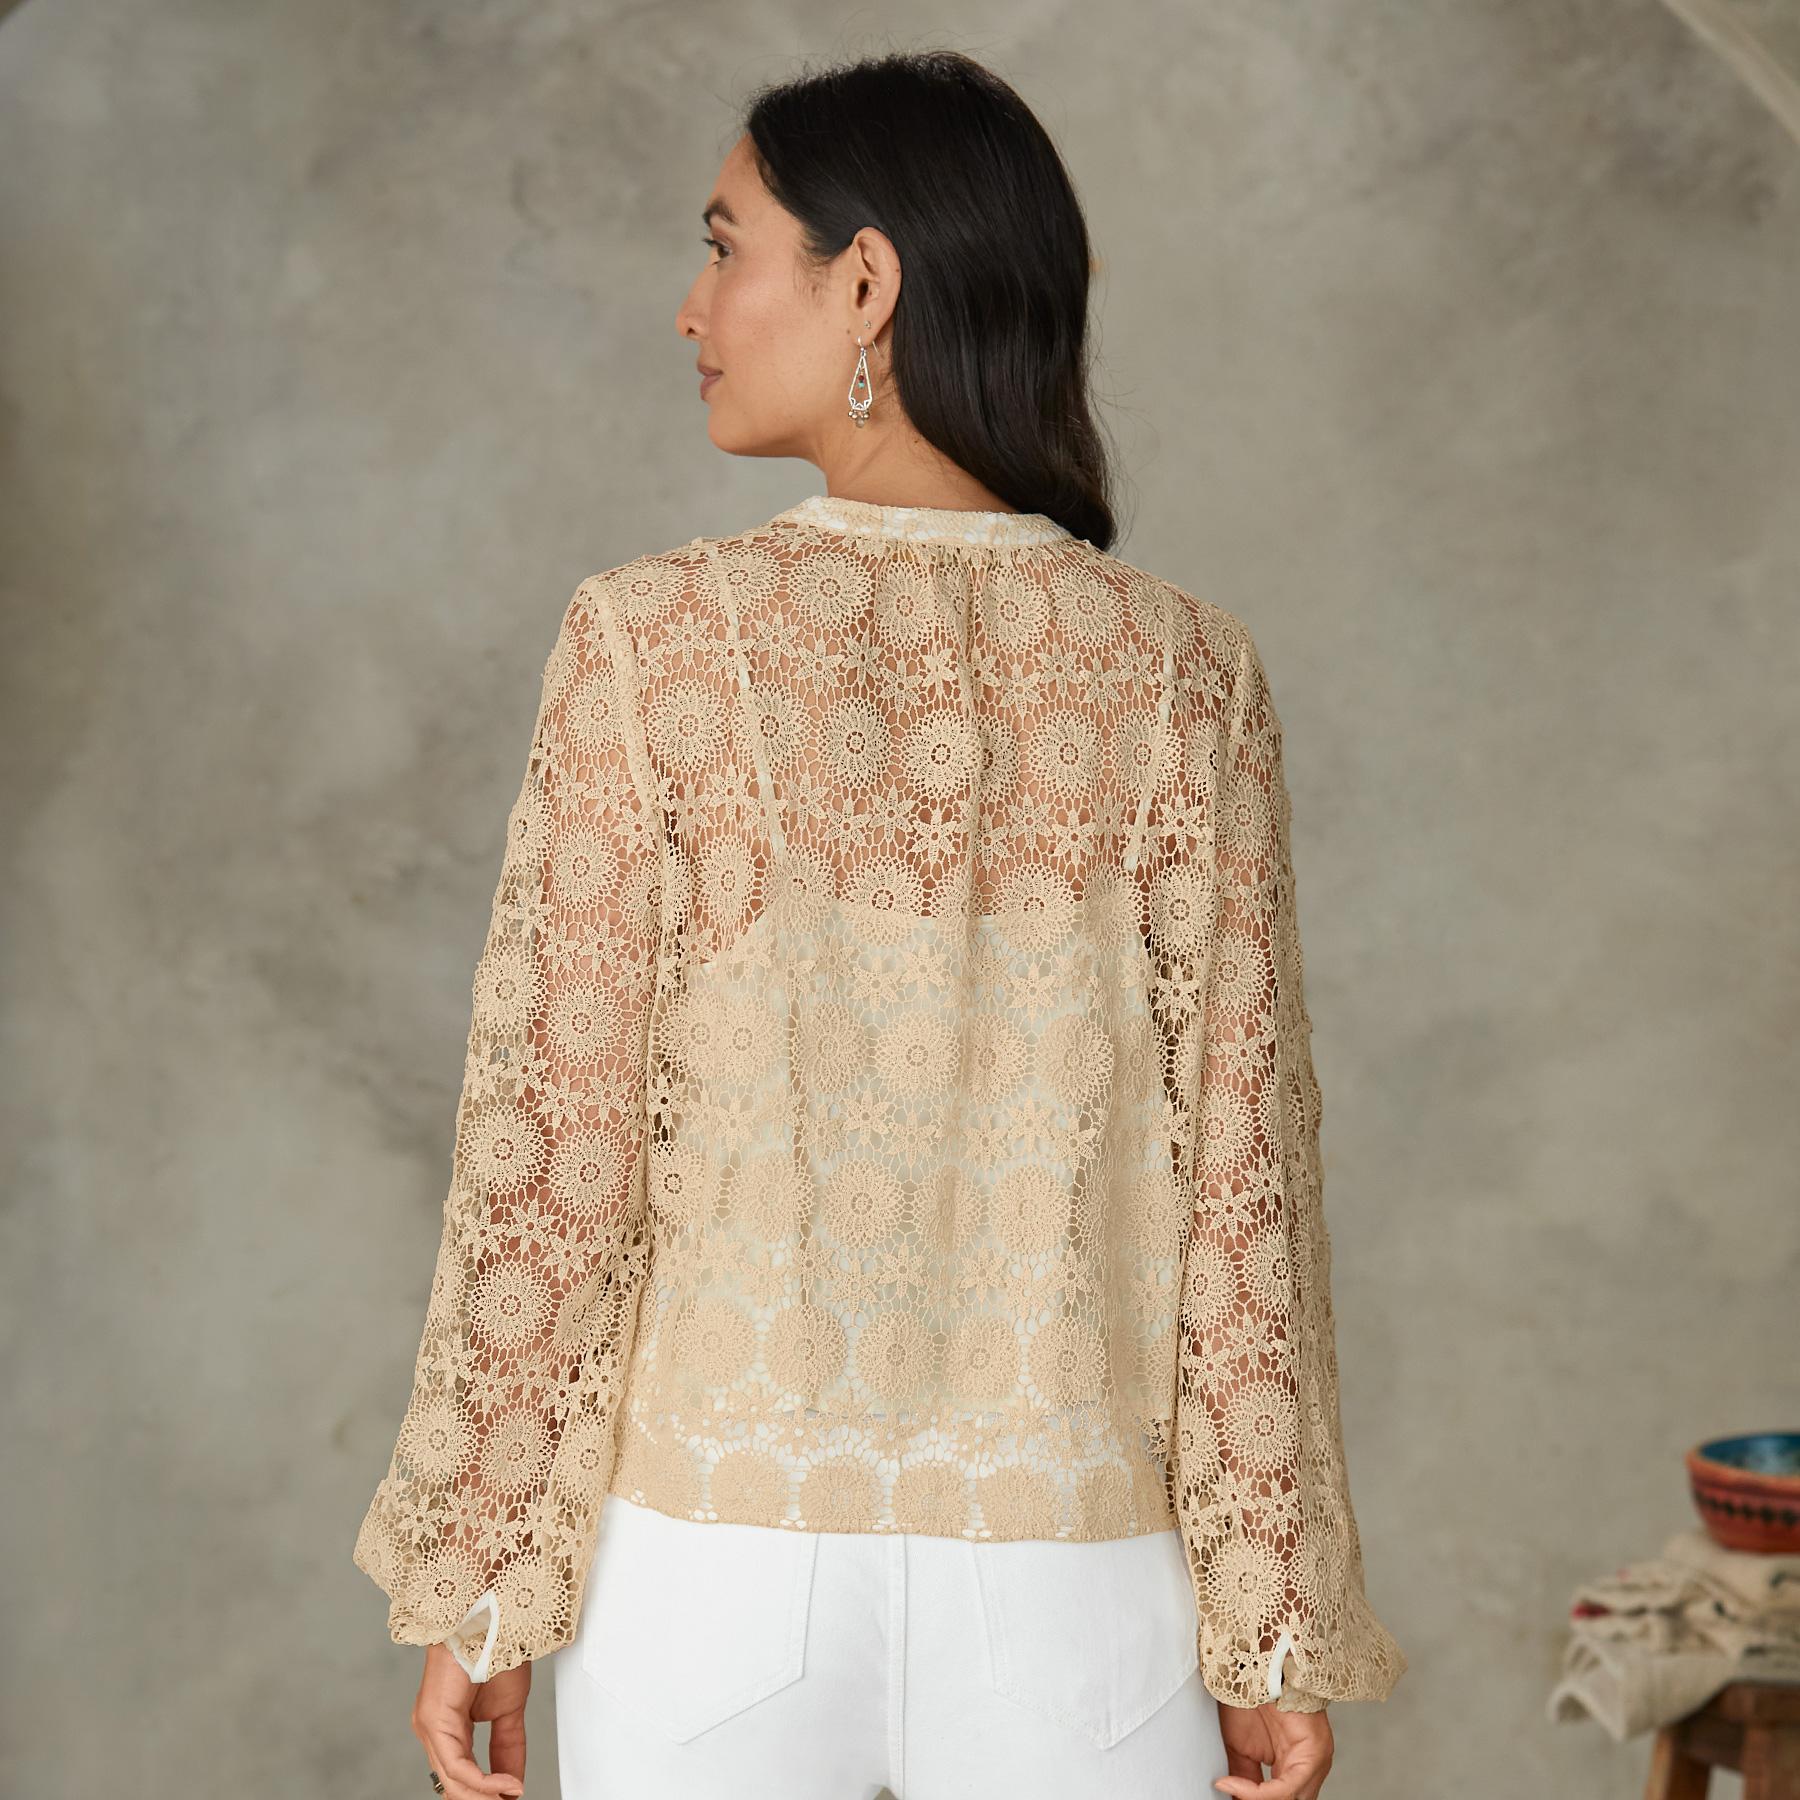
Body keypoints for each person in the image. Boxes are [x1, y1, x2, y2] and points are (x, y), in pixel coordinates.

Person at [352, 47, 1407, 1800]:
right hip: (1077, 1581)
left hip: (707, 1570)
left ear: (865, 282)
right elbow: (1241, 1195)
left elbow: (562, 1155)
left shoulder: (651, 644)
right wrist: (1268, 1627)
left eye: (725, 247)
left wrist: (486, 1583)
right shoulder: (1184, 675)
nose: (690, 306)